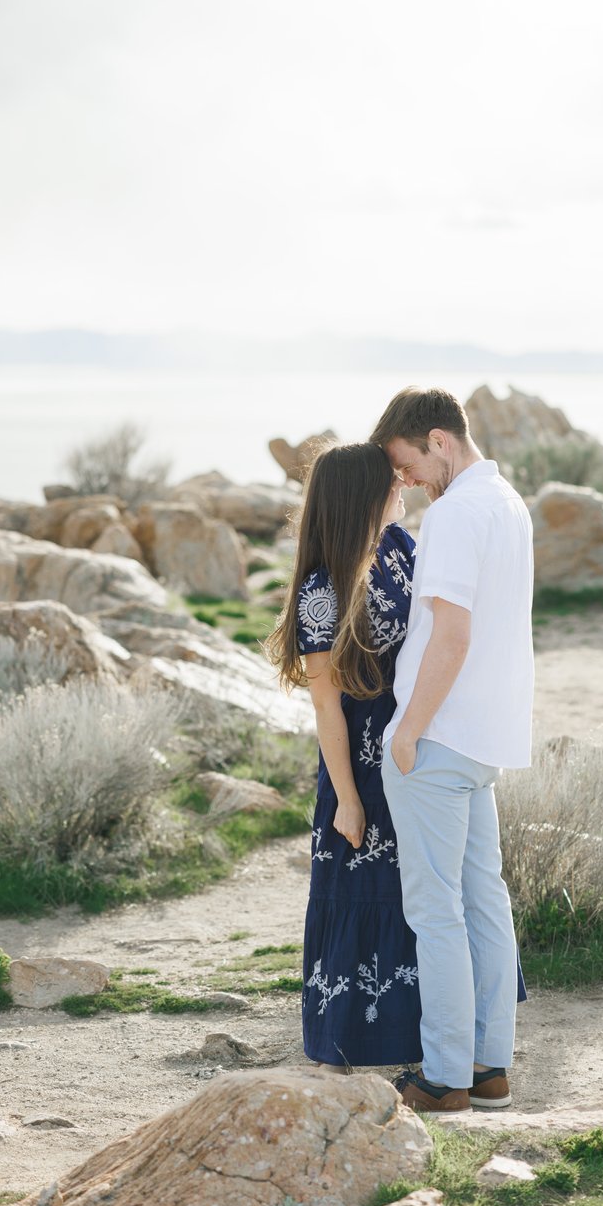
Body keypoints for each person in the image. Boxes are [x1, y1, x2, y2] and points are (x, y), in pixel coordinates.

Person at [372, 387, 534, 1113]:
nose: (405, 481)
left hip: (438, 737)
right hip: (486, 736)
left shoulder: (457, 514)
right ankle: (488, 1066)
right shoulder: (507, 502)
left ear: (439, 441)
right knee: (483, 902)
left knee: (436, 913)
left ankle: (443, 1079)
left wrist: (407, 729)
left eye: (406, 465)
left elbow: (453, 635)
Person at [265, 441, 422, 1069]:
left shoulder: (401, 549)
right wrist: (348, 800)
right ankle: (356, 1040)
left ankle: (427, 1036)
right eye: (390, 482)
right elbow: (326, 705)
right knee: (367, 887)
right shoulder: (322, 589)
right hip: (358, 760)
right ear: (363, 495)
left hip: (416, 743)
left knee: (420, 890)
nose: (402, 486)